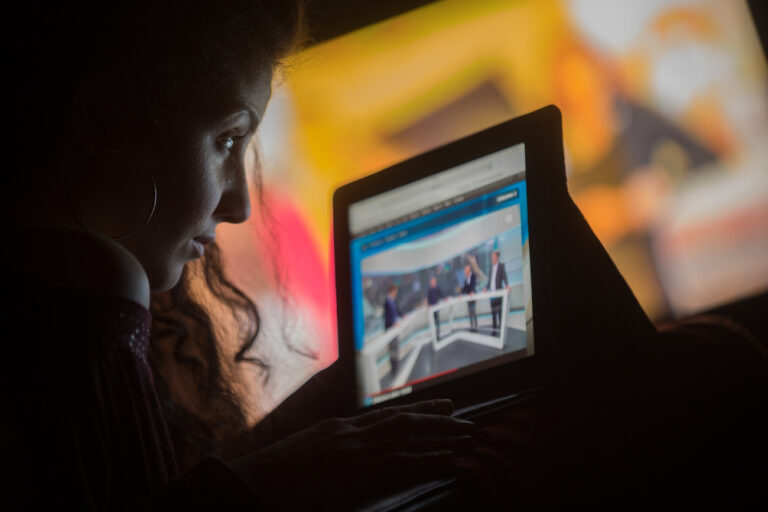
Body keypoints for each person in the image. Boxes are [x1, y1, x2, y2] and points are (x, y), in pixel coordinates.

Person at [1, 3, 477, 509]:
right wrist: (279, 481)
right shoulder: (97, 290)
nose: (241, 205)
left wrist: (287, 438)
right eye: (226, 139)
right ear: (101, 119)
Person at [487, 250, 509, 334]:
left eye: (493, 257)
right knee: (493, 313)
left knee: (500, 313)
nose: (491, 258)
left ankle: (501, 330)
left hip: (499, 294)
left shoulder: (501, 266)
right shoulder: (491, 268)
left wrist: (507, 284)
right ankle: (494, 330)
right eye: (491, 257)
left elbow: (504, 276)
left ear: (497, 257)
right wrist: (486, 288)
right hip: (492, 294)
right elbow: (489, 281)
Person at [384, 284, 404, 374]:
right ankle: (394, 369)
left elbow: (397, 310)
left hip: (395, 328)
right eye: (395, 292)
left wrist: (403, 316)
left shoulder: (392, 301)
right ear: (391, 291)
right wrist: (393, 323)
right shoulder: (387, 302)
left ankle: (397, 366)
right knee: (392, 349)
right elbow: (387, 316)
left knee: (396, 347)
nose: (396, 293)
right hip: (390, 328)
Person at [461, 264, 478, 331]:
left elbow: (473, 284)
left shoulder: (473, 276)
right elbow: (465, 288)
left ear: (469, 270)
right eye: (465, 271)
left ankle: (476, 326)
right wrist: (461, 294)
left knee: (473, 311)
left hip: (473, 297)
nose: (465, 272)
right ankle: (472, 326)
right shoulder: (466, 278)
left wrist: (471, 291)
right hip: (468, 298)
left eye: (466, 271)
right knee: (470, 312)